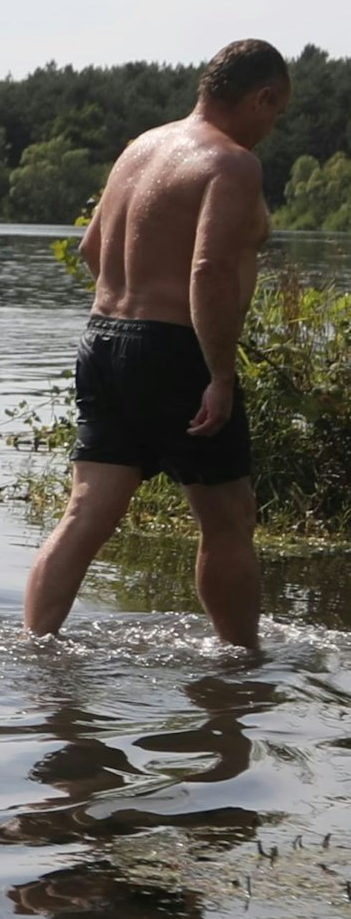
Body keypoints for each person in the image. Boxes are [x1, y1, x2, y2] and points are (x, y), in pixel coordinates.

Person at [22, 38, 290, 652]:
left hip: (102, 340)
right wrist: (218, 375)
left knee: (84, 514)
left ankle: (34, 652)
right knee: (228, 517)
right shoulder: (232, 163)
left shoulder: (141, 148)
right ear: (261, 97)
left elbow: (92, 249)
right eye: (277, 112)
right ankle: (240, 670)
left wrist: (134, 315)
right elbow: (209, 270)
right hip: (175, 350)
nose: (273, 126)